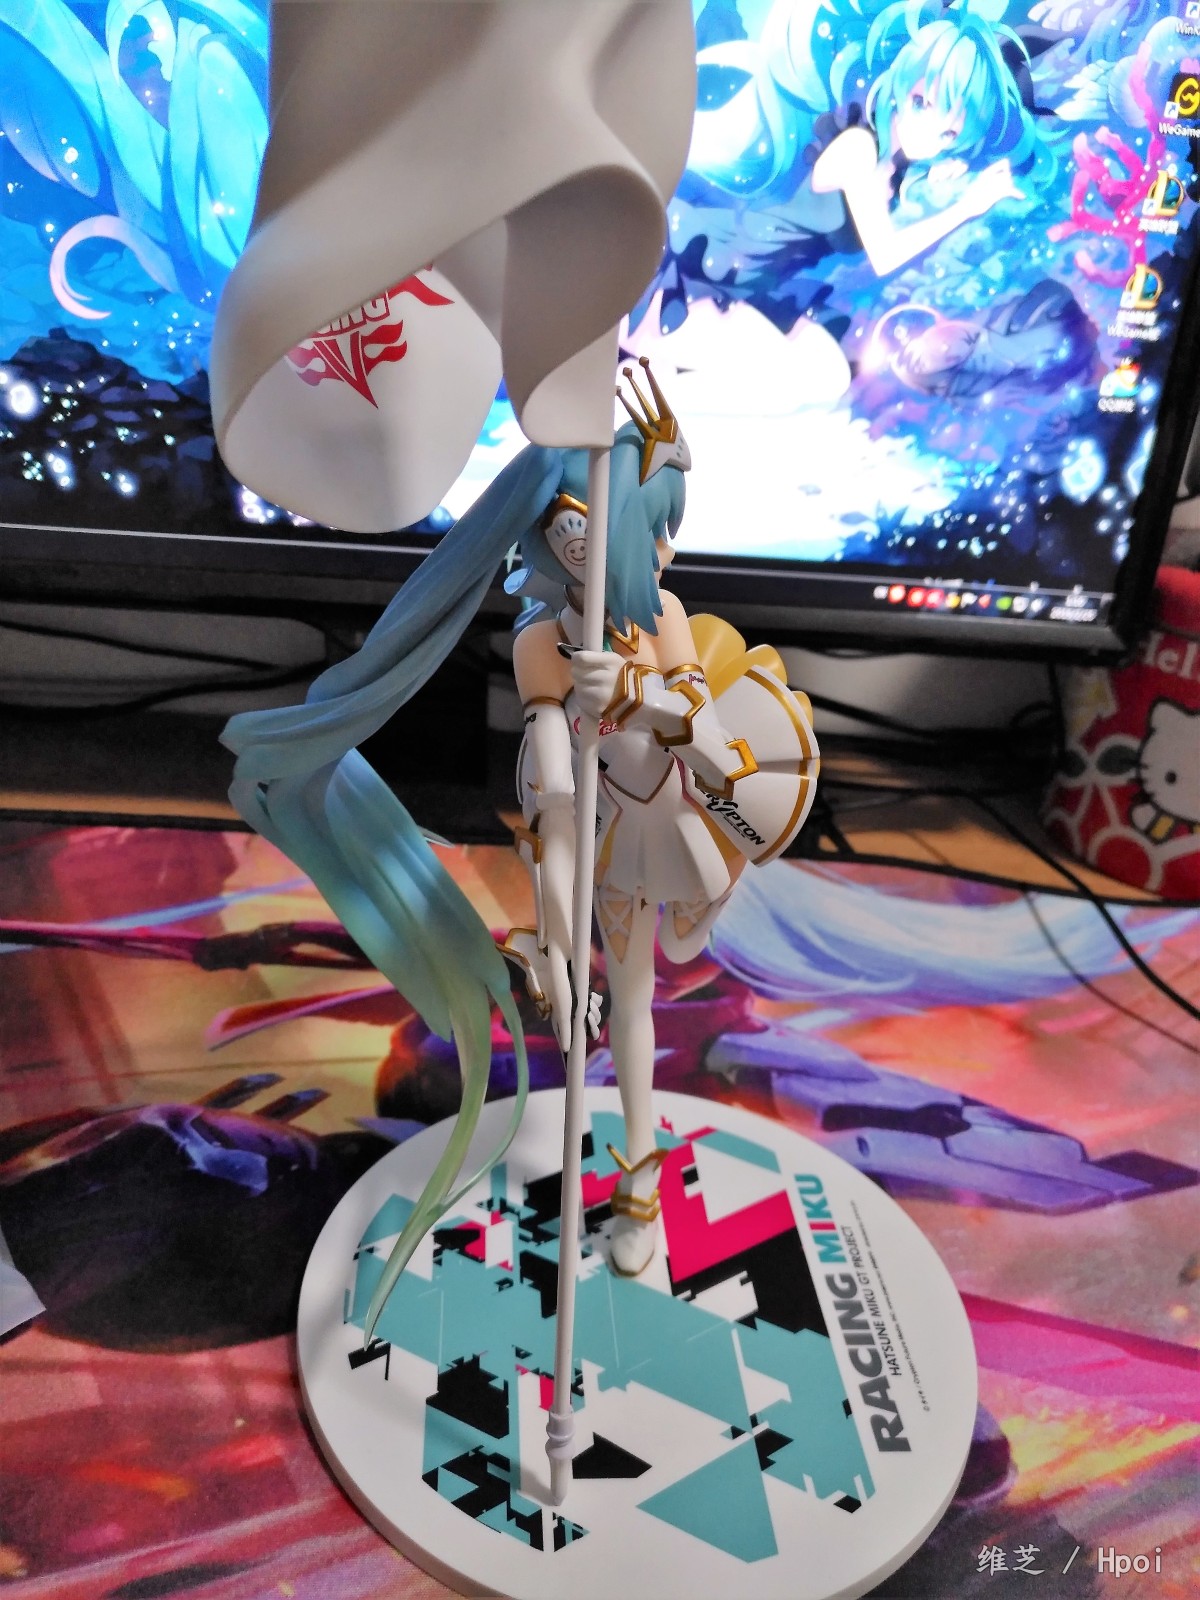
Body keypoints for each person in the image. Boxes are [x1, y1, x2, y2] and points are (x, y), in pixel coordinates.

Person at [222, 362, 817, 1330]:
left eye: (636, 530)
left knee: (643, 998)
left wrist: (645, 704)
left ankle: (639, 1177)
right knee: (619, 1002)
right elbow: (553, 792)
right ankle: (634, 1180)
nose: (620, 549)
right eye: (584, 531)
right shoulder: (544, 642)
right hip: (602, 835)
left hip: (683, 821)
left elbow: (712, 749)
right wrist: (557, 928)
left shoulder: (664, 618)